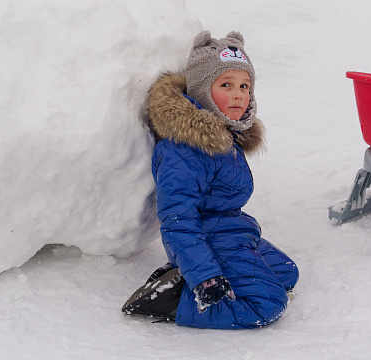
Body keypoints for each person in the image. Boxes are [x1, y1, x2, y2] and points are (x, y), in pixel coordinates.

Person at [121, 30, 299, 329]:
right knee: (268, 303)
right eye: (226, 85)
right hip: (207, 238)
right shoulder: (185, 149)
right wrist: (205, 276)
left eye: (244, 85)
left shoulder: (225, 134)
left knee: (286, 274)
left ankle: (191, 274)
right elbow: (178, 218)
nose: (239, 94)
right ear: (202, 90)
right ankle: (177, 300)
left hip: (232, 231)